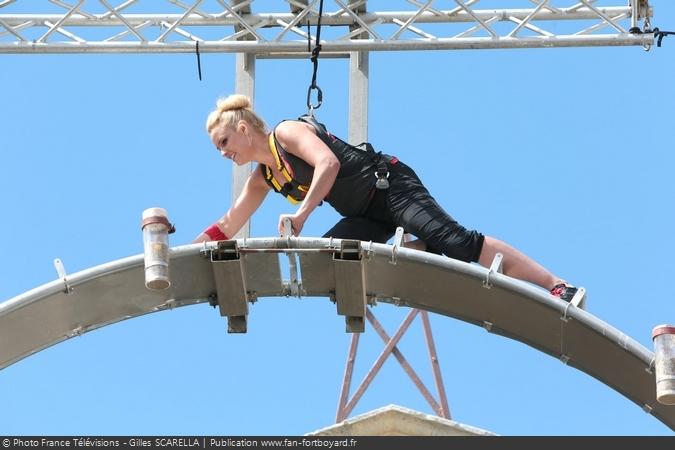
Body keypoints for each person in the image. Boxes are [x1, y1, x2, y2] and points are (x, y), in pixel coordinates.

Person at [193, 94, 578, 301]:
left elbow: (327, 164)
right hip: (366, 215)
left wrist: (302, 215)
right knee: (327, 256)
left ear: (243, 129)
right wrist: (187, 254)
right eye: (218, 149)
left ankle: (556, 284)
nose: (224, 153)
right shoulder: (263, 178)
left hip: (388, 187)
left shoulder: (286, 133)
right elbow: (229, 223)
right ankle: (418, 244)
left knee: (458, 242)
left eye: (224, 142)